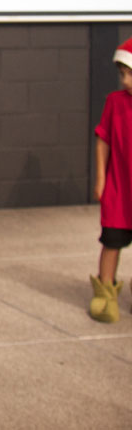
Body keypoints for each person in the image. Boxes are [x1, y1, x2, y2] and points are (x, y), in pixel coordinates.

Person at [89, 36, 132, 323]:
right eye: (122, 73)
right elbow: (103, 139)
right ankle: (105, 293)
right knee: (112, 240)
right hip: (120, 188)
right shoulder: (115, 102)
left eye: (130, 73)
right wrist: (102, 178)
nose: (125, 80)